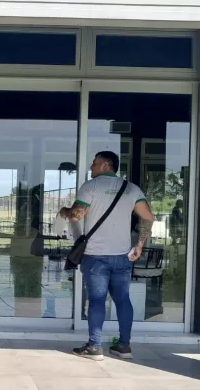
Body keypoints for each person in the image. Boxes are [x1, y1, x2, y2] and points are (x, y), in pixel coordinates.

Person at [60, 151, 154, 361]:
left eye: (94, 163)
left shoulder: (90, 187)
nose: (91, 167)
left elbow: (76, 215)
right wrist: (139, 245)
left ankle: (94, 347)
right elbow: (148, 217)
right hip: (122, 256)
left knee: (96, 300)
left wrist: (64, 211)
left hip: (95, 256)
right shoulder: (131, 188)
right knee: (123, 300)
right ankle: (124, 346)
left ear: (105, 165)